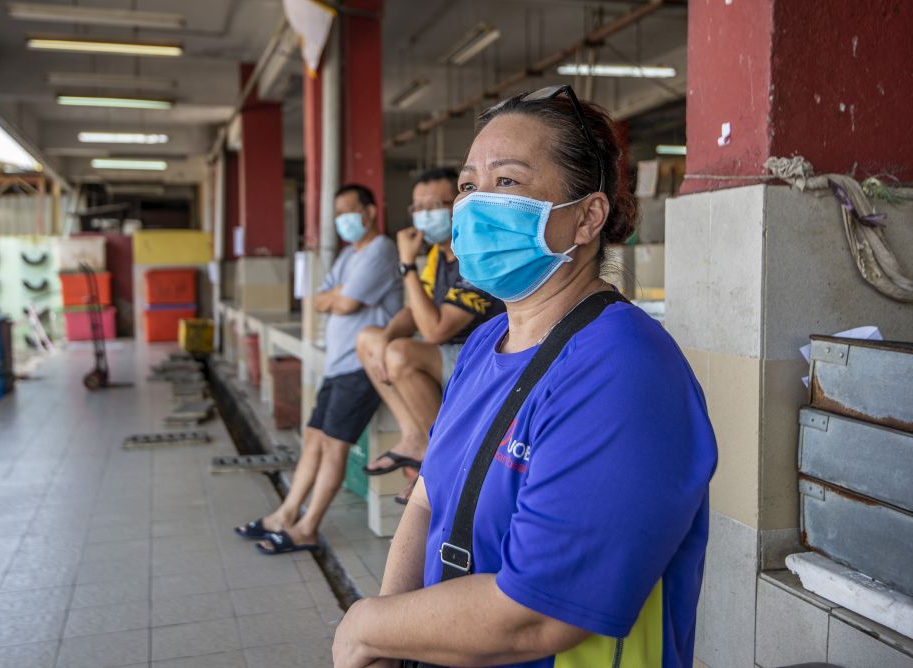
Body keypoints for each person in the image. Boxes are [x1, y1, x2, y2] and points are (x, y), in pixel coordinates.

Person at [332, 86, 717, 668]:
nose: (476, 204)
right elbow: (429, 501)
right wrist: (396, 631)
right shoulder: (488, 340)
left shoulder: (624, 369)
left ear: (587, 217)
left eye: (507, 182)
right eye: (468, 186)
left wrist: (369, 626)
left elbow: (538, 614)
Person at [235, 183, 403, 555]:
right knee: (313, 438)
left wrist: (338, 297)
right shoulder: (347, 256)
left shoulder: (381, 250)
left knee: (333, 447)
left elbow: (343, 305)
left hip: (361, 367)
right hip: (337, 364)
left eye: (349, 211)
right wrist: (337, 296)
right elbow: (319, 298)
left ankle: (308, 527)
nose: (343, 219)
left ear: (371, 211)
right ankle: (285, 514)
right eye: (338, 213)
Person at [356, 168, 504, 502]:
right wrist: (384, 339)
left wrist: (406, 264)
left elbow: (435, 330)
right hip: (448, 354)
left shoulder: (477, 253)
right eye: (418, 207)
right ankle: (414, 436)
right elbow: (415, 310)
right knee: (369, 338)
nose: (425, 215)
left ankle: (441, 463)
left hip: (480, 360)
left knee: (400, 354)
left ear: (461, 204)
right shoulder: (438, 254)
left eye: (435, 205)